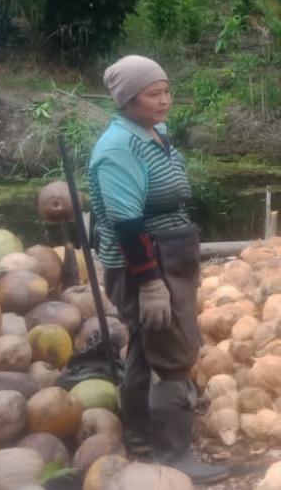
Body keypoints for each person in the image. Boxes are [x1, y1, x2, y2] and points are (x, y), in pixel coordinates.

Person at [89, 55, 228, 484]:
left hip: (172, 251)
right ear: (129, 99)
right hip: (146, 261)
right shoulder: (118, 148)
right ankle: (174, 455)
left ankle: (142, 437)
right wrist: (151, 284)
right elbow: (127, 223)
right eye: (153, 94)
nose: (164, 100)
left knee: (147, 347)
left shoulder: (154, 133)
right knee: (172, 356)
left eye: (166, 90)